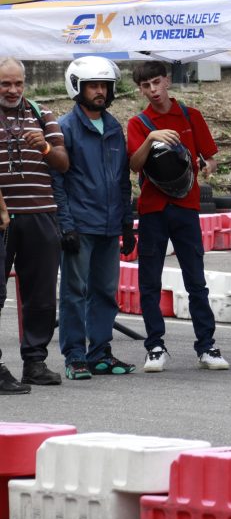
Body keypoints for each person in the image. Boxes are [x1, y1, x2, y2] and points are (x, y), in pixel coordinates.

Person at [126, 60, 228, 373]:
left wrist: (207, 166)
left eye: (156, 82)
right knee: (149, 282)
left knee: (196, 280)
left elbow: (211, 158)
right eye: (146, 86)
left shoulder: (190, 115)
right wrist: (151, 139)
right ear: (141, 90)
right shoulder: (138, 123)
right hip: (153, 209)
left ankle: (206, 346)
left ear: (167, 81)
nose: (153, 90)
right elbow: (134, 165)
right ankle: (155, 346)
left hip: (186, 207)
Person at [51, 57, 137, 380]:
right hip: (80, 226)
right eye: (93, 86)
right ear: (78, 88)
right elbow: (57, 182)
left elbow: (122, 179)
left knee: (105, 292)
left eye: (104, 86)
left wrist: (126, 223)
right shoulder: (65, 128)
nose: (100, 91)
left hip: (109, 226)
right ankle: (75, 356)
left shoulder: (113, 127)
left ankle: (100, 353)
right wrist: (66, 226)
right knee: (74, 293)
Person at [0, 56, 70, 391]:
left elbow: (63, 163)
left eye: (18, 83)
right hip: (2, 219)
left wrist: (43, 146)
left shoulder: (43, 114)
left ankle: (35, 362)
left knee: (41, 295)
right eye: (5, 84)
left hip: (41, 214)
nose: (13, 90)